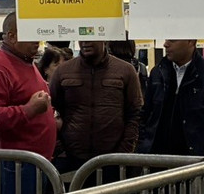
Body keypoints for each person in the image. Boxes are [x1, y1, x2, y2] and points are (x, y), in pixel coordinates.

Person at [0, 13, 56, 194]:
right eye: (29, 34)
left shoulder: (25, 62)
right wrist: (28, 110)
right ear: (11, 36)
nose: (36, 40)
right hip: (13, 167)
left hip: (31, 163)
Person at [48, 41, 143, 176]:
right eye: (82, 37)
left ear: (103, 39)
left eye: (91, 36)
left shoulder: (125, 70)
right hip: (71, 160)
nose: (85, 42)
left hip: (113, 161)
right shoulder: (63, 71)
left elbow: (135, 113)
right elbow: (50, 110)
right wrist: (60, 149)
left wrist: (124, 151)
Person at [138, 40, 204, 157]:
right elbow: (146, 114)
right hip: (158, 161)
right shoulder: (158, 72)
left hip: (198, 163)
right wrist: (144, 145)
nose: (165, 44)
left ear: (191, 42)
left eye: (172, 40)